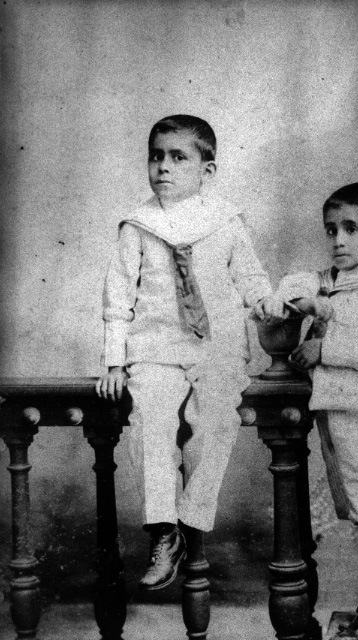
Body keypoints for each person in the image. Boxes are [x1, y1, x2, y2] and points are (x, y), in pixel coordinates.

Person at [96, 114, 274, 590]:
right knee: (150, 421)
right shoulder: (138, 226)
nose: (163, 167)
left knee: (216, 420)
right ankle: (164, 529)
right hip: (156, 347)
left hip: (217, 348)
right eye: (156, 156)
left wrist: (263, 302)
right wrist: (114, 361)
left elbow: (250, 277)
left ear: (206, 171)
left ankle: (191, 517)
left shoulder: (226, 222)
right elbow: (118, 298)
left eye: (178, 158)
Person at [255, 182, 358, 640]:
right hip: (345, 422)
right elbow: (304, 282)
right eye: (331, 230)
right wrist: (284, 296)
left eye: (351, 229)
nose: (339, 240)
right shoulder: (333, 281)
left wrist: (323, 348)